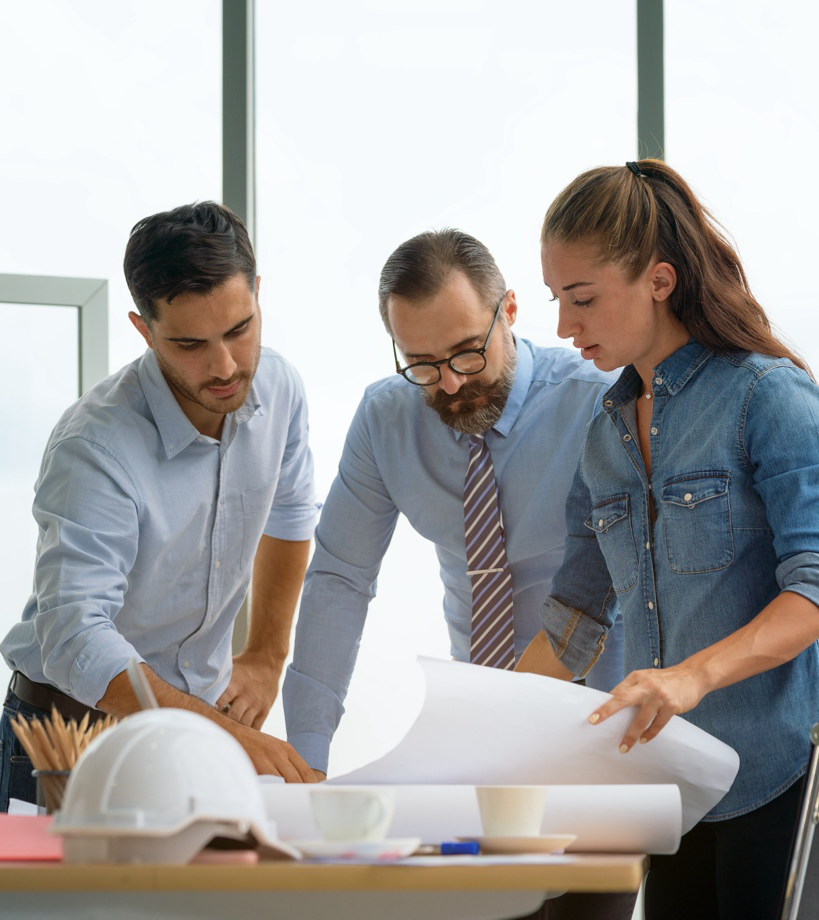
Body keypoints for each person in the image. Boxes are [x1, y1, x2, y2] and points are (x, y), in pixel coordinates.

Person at [519, 159, 819, 920]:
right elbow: (577, 612)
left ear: (659, 281)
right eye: (557, 301)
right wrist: (483, 737)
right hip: (673, 787)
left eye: (582, 299)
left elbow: (818, 590)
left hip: (784, 775)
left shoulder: (769, 396)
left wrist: (691, 677)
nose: (565, 326)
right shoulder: (604, 429)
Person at [283, 229, 634, 919]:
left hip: (599, 732)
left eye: (467, 352)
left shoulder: (596, 401)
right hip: (486, 738)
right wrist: (307, 765)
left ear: (508, 311)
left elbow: (618, 585)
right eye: (420, 362)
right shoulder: (386, 419)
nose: (448, 382)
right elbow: (338, 582)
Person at [0, 201, 322, 812]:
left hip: (200, 724)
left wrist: (267, 656)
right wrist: (224, 734)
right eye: (191, 343)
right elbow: (73, 633)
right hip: (73, 732)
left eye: (239, 329)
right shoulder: (95, 447)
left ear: (258, 294)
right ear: (144, 331)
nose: (225, 366)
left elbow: (291, 514)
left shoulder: (278, 388)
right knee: (64, 912)